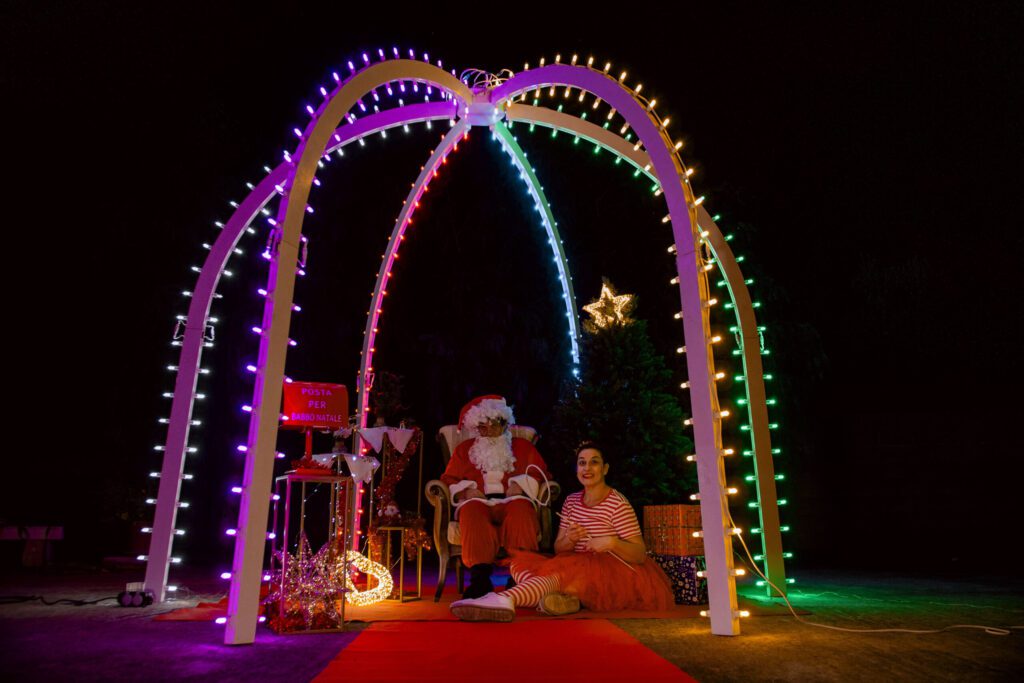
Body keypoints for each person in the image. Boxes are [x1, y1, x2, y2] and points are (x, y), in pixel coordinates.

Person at [450, 442, 673, 620]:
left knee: (556, 577)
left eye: (594, 463)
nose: (587, 469)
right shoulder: (571, 501)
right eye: (582, 463)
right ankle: (568, 601)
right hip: (573, 564)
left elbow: (639, 553)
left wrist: (611, 542)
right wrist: (569, 538)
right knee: (519, 563)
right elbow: (559, 548)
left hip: (609, 572)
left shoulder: (617, 503)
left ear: (605, 469)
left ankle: (504, 599)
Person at [441, 395, 551, 599]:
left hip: (513, 499)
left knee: (521, 511)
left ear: (503, 423)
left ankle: (519, 576)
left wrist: (520, 484)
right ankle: (480, 579)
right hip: (478, 500)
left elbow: (541, 473)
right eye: (482, 427)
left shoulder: (523, 447)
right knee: (472, 511)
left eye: (492, 425)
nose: (488, 431)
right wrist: (466, 491)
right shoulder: (464, 450)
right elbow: (448, 479)